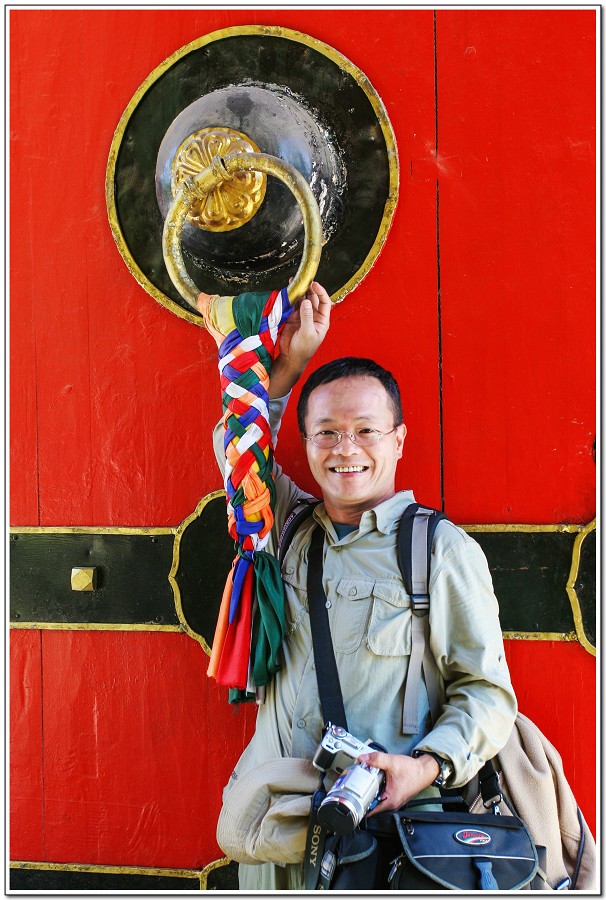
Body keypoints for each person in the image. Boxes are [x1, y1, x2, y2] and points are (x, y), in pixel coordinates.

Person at [208, 282, 518, 891]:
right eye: (326, 432)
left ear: (398, 439)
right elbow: (236, 445)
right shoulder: (286, 527)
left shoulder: (439, 551)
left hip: (381, 840)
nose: (345, 449)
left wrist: (424, 768)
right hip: (274, 839)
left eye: (365, 431)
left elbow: (486, 693)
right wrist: (290, 363)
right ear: (305, 443)